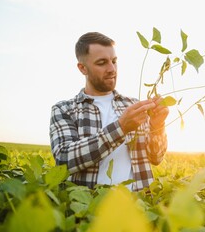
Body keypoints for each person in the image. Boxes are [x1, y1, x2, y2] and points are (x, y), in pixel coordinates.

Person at [49, 32, 169, 191]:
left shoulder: (133, 105)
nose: (112, 69)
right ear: (82, 68)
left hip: (138, 207)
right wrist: (120, 128)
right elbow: (64, 160)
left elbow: (156, 158)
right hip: (89, 209)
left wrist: (157, 125)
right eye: (102, 63)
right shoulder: (65, 109)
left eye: (114, 61)